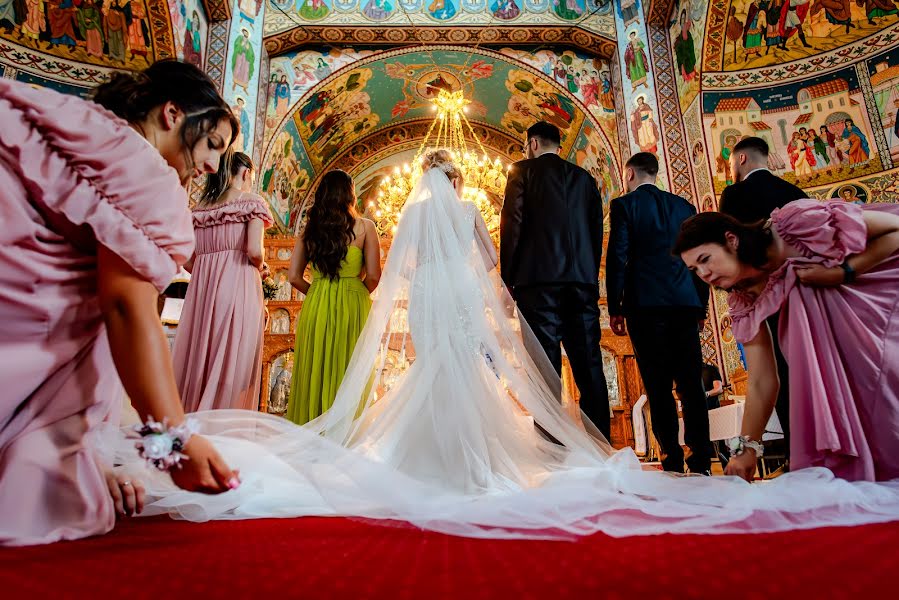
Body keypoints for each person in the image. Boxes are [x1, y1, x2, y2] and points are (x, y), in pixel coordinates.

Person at [100, 150, 899, 541]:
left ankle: (432, 460)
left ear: (422, 186)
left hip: (428, 301)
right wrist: (500, 309)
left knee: (431, 377)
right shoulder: (492, 208)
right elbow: (487, 261)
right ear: (461, 184)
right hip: (467, 301)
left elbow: (393, 279)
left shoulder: (406, 216)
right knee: (475, 378)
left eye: (706, 267)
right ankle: (483, 460)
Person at [0, 60, 240, 547]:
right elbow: (127, 310)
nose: (214, 165)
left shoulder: (69, 119)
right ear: (172, 114)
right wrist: (173, 446)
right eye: (213, 143)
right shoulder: (146, 172)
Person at [675, 200, 899, 482]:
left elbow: (895, 230)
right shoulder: (742, 299)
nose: (704, 275)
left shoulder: (794, 226)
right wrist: (747, 451)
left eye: (705, 259)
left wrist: (842, 272)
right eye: (694, 270)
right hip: (850, 345)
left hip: (883, 302)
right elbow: (761, 380)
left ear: (731, 240)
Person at [606, 152, 713, 474]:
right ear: (656, 172)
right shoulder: (685, 207)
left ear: (629, 175)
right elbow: (699, 258)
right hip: (685, 303)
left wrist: (615, 306)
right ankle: (701, 459)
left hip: (644, 304)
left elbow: (618, 257)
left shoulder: (625, 206)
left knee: (657, 384)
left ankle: (671, 458)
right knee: (691, 383)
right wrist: (701, 304)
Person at [500, 121, 610, 437]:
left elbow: (513, 225)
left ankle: (552, 443)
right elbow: (594, 229)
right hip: (581, 283)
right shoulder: (585, 178)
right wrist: (588, 275)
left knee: (544, 365)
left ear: (533, 143)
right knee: (589, 362)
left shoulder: (522, 172)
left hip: (537, 282)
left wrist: (508, 279)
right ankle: (600, 442)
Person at [719, 136, 806, 462]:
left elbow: (731, 244)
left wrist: (737, 290)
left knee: (777, 372)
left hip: (765, 296)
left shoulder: (735, 194)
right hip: (805, 292)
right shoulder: (793, 192)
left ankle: (799, 453)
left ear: (740, 159)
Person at [172, 151, 274, 412]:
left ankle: (192, 419)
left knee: (201, 359)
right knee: (232, 362)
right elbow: (254, 251)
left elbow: (186, 260)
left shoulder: (199, 210)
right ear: (247, 173)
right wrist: (261, 268)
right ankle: (219, 425)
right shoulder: (251, 202)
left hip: (202, 291)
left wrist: (209, 270)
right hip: (239, 285)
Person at [286, 170, 381, 425]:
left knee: (315, 368)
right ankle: (347, 434)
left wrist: (318, 292)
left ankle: (312, 432)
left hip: (317, 304)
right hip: (354, 305)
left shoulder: (310, 231)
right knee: (351, 371)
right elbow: (373, 276)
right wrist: (354, 292)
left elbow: (293, 276)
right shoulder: (365, 227)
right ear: (351, 194)